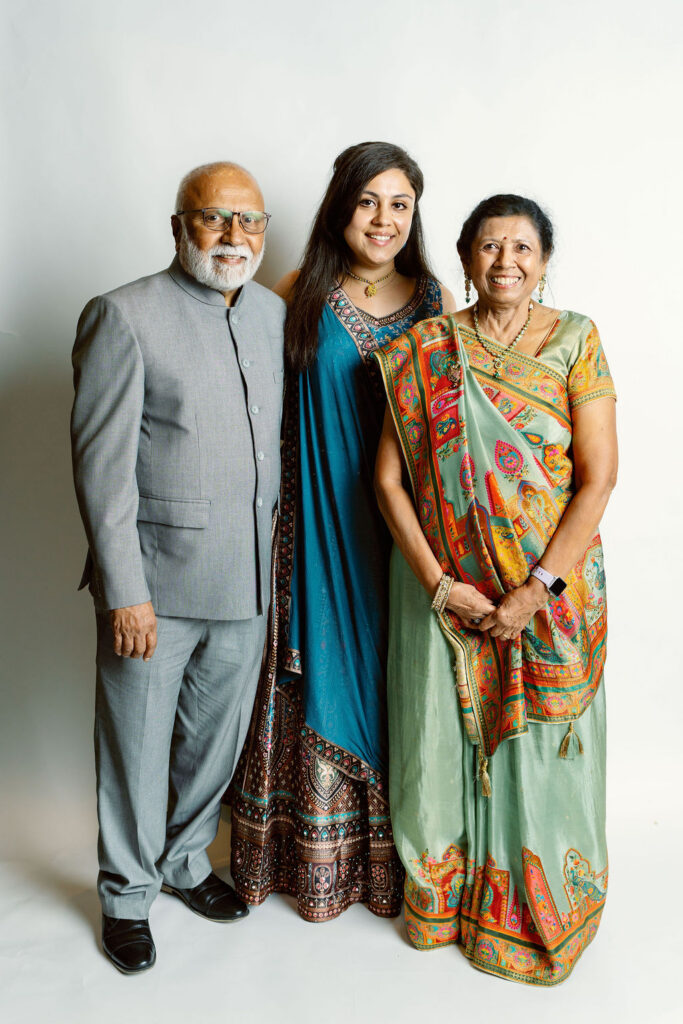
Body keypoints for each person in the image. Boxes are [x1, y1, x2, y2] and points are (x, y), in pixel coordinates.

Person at [374, 194, 617, 985]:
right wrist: (439, 586)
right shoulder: (424, 350)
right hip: (445, 597)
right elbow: (386, 481)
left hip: (549, 592)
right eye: (488, 246)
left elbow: (597, 478)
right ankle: (447, 899)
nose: (504, 261)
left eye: (520, 247)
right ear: (464, 257)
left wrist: (535, 590)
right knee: (439, 739)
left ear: (543, 261)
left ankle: (536, 903)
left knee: (543, 746)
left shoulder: (576, 340)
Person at [230, 142, 455, 921]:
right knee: (316, 669)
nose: (383, 219)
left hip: (403, 537)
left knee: (400, 678)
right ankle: (305, 863)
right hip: (313, 528)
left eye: (400, 204)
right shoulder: (297, 292)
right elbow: (242, 398)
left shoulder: (434, 301)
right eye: (367, 201)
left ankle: (398, 866)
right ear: (339, 207)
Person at [70, 161, 285, 974]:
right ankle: (126, 896)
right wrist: (124, 593)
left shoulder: (270, 314)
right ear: (178, 226)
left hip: (246, 580)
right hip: (154, 589)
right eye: (214, 217)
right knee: (134, 750)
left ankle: (186, 863)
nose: (234, 236)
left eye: (249, 220)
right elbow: (102, 470)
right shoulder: (124, 316)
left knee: (214, 747)